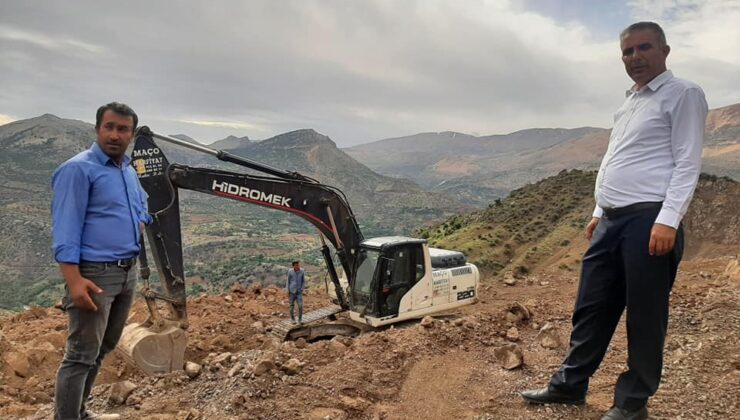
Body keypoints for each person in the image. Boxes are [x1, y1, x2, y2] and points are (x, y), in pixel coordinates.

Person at [521, 22, 707, 420]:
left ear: (665, 51)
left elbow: (688, 162)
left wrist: (668, 220)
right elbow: (616, 160)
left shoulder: (683, 94)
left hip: (650, 220)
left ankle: (632, 403)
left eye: (643, 48)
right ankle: (569, 385)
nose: (635, 57)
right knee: (591, 307)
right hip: (611, 222)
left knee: (644, 314)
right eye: (627, 52)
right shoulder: (630, 101)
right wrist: (598, 211)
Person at [52, 102, 151, 420]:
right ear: (97, 129)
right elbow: (66, 228)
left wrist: (136, 225)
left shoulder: (127, 171)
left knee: (104, 347)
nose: (115, 134)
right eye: (109, 127)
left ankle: (78, 412)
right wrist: (74, 281)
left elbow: (141, 209)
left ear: (131, 135)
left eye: (123, 129)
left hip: (127, 272)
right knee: (80, 356)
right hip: (95, 275)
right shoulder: (78, 169)